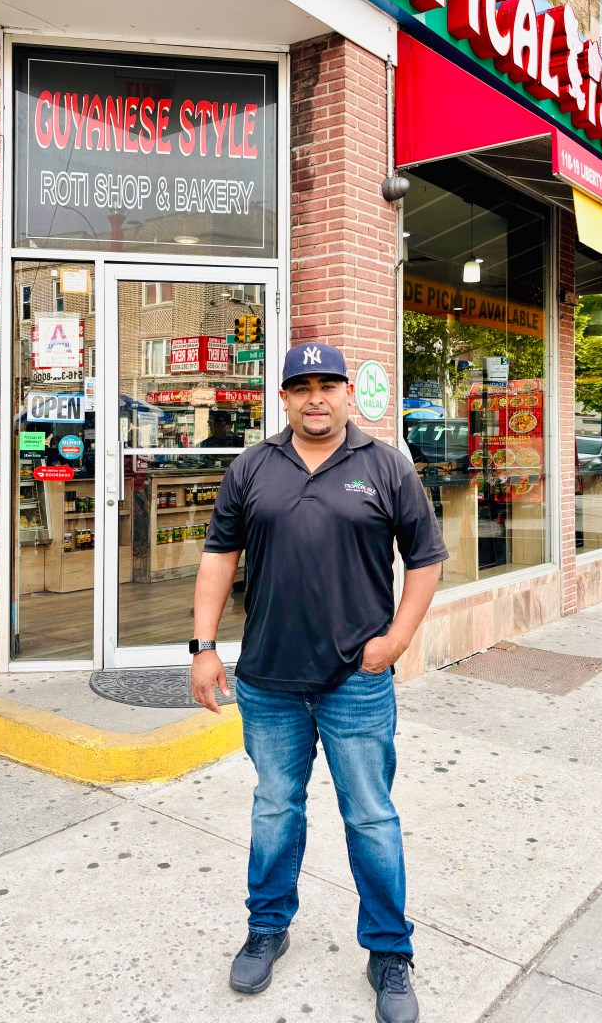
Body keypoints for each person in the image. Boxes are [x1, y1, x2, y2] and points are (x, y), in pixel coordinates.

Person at [190, 342, 447, 1023]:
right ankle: (267, 927)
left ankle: (389, 950)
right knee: (275, 807)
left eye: (326, 385)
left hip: (355, 682)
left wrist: (395, 640)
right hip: (269, 678)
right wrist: (204, 646)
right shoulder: (252, 466)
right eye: (300, 386)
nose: (315, 398)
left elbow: (425, 560)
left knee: (370, 815)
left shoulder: (385, 466)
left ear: (345, 393)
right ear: (282, 398)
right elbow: (219, 556)